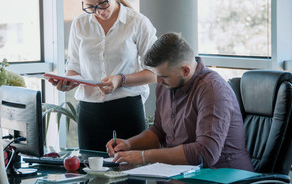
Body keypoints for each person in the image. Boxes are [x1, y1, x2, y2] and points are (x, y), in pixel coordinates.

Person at [106, 32, 254, 171]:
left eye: (163, 76)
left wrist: (144, 156)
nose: (157, 81)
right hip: (181, 173)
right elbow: (159, 131)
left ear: (185, 70)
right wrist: (130, 144)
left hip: (222, 175)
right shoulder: (166, 84)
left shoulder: (212, 90)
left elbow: (206, 153)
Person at [49, 0, 157, 151]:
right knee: (91, 175)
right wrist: (69, 81)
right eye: (90, 7)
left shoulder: (137, 22)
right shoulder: (80, 24)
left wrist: (121, 80)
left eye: (102, 3)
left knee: (131, 174)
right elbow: (74, 67)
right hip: (89, 113)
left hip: (128, 110)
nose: (99, 11)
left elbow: (155, 73)